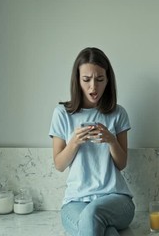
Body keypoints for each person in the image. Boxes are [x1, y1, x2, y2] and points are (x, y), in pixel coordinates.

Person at [49, 47, 135, 236]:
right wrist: (74, 142)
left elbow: (121, 164)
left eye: (100, 80)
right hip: (75, 202)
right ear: (77, 80)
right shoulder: (62, 114)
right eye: (86, 80)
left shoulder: (118, 114)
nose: (93, 87)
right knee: (107, 231)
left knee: (93, 214)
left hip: (116, 199)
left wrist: (111, 140)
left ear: (108, 80)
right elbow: (59, 164)